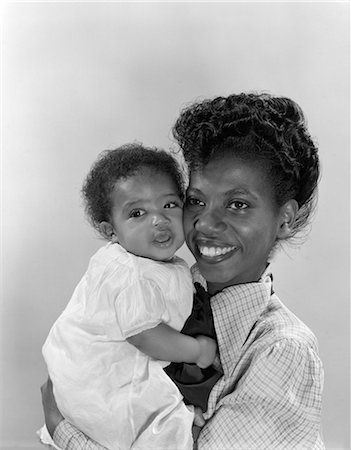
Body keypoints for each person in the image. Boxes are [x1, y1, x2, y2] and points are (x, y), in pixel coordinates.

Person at [41, 92, 324, 449]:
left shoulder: (282, 352)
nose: (206, 223)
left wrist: (62, 430)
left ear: (285, 219)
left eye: (238, 204)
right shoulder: (167, 289)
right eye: (196, 201)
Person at [40, 143, 217, 450]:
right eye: (137, 213)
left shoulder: (154, 263)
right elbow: (145, 336)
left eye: (170, 205)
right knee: (166, 430)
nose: (158, 220)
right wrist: (198, 350)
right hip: (102, 386)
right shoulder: (130, 273)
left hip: (86, 382)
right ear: (111, 230)